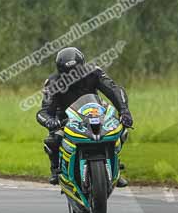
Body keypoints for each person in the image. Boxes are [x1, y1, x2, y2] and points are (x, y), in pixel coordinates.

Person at [36, 47, 134, 186]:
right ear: (60, 71)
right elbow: (44, 112)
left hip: (95, 114)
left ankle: (114, 167)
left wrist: (124, 111)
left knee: (121, 131)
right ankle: (56, 169)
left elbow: (114, 90)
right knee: (53, 139)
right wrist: (51, 121)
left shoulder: (95, 72)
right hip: (67, 120)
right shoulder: (53, 82)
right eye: (68, 73)